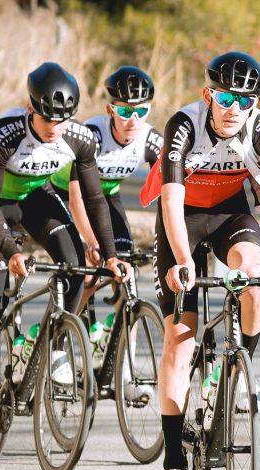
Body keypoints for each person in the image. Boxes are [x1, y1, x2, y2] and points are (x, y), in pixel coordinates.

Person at [152, 51, 260, 470]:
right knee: (181, 339)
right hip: (183, 220)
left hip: (231, 214)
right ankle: (174, 467)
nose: (234, 108)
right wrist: (182, 260)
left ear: (256, 103)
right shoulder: (184, 125)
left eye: (244, 100)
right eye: (225, 98)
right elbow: (170, 202)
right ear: (208, 95)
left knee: (254, 278)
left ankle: (237, 370)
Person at [0, 62, 125, 443]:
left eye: (63, 120)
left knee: (76, 268)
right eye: (47, 119)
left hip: (37, 196)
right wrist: (10, 250)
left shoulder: (80, 139)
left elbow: (95, 199)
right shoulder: (4, 133)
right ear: (30, 108)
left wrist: (110, 254)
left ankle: (53, 346)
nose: (55, 128)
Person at [51, 66, 163, 402]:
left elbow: (171, 190)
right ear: (110, 109)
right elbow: (77, 198)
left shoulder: (150, 139)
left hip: (107, 196)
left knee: (126, 275)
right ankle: (60, 339)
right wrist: (90, 241)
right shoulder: (92, 136)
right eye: (124, 111)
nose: (133, 119)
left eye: (141, 111)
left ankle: (124, 372)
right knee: (88, 272)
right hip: (66, 195)